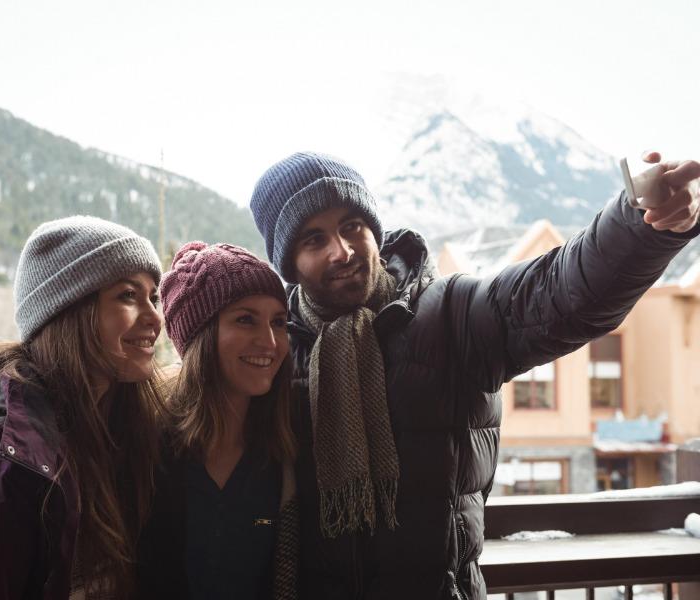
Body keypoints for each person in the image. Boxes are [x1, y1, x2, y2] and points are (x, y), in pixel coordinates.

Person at [248, 150, 700, 599]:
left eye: (352, 226)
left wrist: (639, 226)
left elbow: (558, 291)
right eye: (313, 239)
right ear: (289, 263)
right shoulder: (273, 352)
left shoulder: (450, 315)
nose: (341, 251)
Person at [0, 216, 166, 599]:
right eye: (128, 295)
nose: (155, 317)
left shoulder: (117, 429)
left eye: (153, 296)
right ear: (69, 311)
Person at [135, 242, 298, 600]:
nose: (270, 341)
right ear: (201, 336)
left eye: (279, 322)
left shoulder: (286, 452)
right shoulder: (143, 446)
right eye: (245, 319)